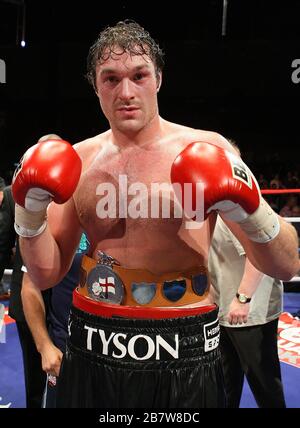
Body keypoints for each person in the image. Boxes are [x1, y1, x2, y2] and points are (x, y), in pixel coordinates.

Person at [11, 20, 299, 408]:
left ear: (158, 79)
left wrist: (251, 208)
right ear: (95, 86)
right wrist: (29, 212)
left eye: (139, 75)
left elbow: (285, 263)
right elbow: (45, 273)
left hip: (187, 349)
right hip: (94, 344)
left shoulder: (206, 148)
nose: (126, 92)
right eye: (110, 78)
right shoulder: (79, 161)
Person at [209, 215, 286, 408]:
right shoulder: (204, 211)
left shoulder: (233, 207)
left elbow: (258, 254)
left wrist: (243, 298)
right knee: (225, 381)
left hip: (250, 311)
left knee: (264, 384)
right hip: (222, 308)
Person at [21, 233, 89, 408]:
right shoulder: (57, 214)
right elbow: (30, 286)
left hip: (125, 354)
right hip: (65, 351)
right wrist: (44, 346)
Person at [0, 186, 47, 408]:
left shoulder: (76, 189)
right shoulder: (13, 194)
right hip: (25, 295)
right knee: (35, 374)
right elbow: (2, 246)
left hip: (68, 297)